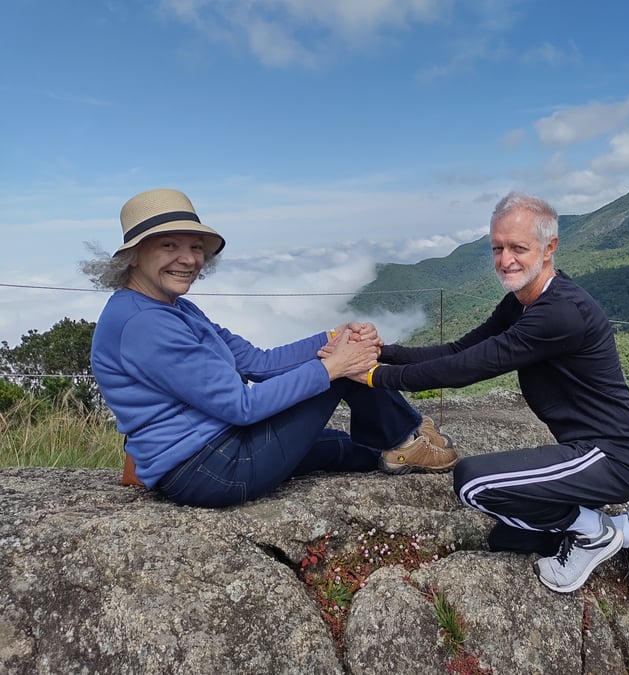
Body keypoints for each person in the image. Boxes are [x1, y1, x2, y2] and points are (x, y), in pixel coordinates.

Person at [355, 192, 629, 594]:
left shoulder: (560, 312)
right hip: (588, 451)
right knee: (509, 537)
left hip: (615, 457)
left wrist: (374, 377)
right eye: (497, 248)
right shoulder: (519, 303)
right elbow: (459, 350)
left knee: (472, 483)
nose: (505, 260)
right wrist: (383, 353)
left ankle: (607, 533)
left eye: (518, 248)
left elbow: (466, 369)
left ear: (549, 247)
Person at [84, 188, 457, 508]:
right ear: (134, 255)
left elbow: (256, 363)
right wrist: (333, 365)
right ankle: (407, 434)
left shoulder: (172, 307)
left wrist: (331, 337)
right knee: (343, 372)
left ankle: (400, 439)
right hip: (210, 468)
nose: (189, 259)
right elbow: (241, 406)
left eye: (196, 247)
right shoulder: (144, 323)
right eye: (169, 245)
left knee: (354, 448)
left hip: (219, 447)